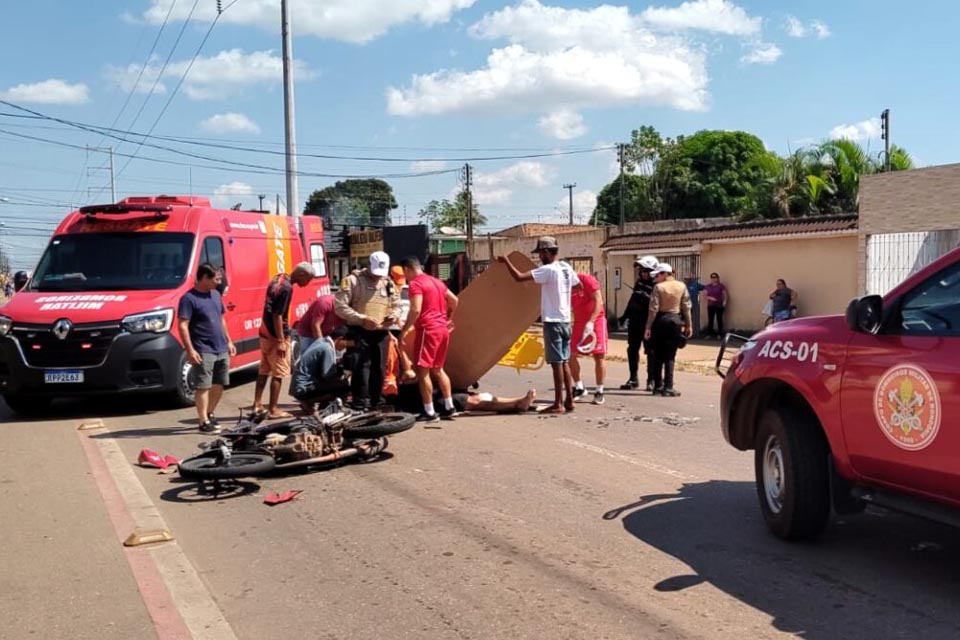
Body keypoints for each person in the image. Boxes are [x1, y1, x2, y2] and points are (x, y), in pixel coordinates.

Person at [499, 237, 580, 414]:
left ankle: (558, 403)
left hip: (553, 321)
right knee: (565, 361)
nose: (539, 258)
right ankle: (569, 400)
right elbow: (578, 285)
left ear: (545, 252)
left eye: (540, 254)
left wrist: (506, 261)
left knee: (556, 363)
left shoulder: (548, 270)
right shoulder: (566, 268)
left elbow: (519, 277)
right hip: (566, 320)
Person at [392, 339, 537, 416]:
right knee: (472, 401)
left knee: (474, 396)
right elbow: (407, 374)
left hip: (421, 391)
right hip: (414, 397)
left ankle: (518, 401)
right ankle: (516, 404)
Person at [334, 251, 402, 411]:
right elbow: (340, 307)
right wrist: (362, 319)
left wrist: (393, 316)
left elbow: (397, 305)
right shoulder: (352, 281)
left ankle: (376, 400)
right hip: (359, 331)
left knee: (379, 368)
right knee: (361, 367)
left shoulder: (388, 283)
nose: (378, 276)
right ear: (369, 265)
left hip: (381, 333)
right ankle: (360, 401)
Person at [398, 255, 459, 423]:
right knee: (438, 369)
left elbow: (416, 309)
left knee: (422, 371)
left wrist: (404, 331)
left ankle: (429, 411)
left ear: (407, 269)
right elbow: (454, 300)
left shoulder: (416, 284)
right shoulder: (437, 282)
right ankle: (449, 407)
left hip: (427, 329)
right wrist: (448, 317)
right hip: (441, 329)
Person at [177, 263, 237, 433]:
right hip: (203, 349)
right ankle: (203, 421)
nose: (219, 282)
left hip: (221, 347)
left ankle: (210, 413)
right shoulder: (189, 299)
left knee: (219, 384)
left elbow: (222, 319)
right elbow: (183, 325)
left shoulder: (216, 295)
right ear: (204, 278)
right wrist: (190, 350)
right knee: (203, 385)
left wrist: (229, 341)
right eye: (216, 279)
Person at [253, 262, 316, 420]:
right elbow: (278, 315)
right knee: (279, 373)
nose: (306, 284)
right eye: (308, 279)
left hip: (264, 331)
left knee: (264, 369)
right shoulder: (287, 287)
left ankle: (257, 405)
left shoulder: (278, 278)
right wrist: (281, 340)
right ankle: (273, 409)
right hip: (276, 336)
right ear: (301, 274)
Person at [644, 263, 692, 397]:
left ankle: (658, 386)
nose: (656, 277)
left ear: (665, 274)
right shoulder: (681, 286)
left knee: (658, 355)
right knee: (670, 355)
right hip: (675, 321)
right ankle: (668, 386)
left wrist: (648, 326)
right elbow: (686, 307)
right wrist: (689, 325)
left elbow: (653, 309)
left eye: (658, 275)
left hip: (660, 321)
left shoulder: (658, 288)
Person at [290, 326, 352, 415]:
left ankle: (314, 405)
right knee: (343, 386)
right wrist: (344, 374)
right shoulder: (327, 348)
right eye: (345, 345)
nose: (344, 348)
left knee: (336, 382)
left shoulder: (322, 341)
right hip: (303, 389)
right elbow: (327, 375)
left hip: (299, 388)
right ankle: (324, 409)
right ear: (340, 339)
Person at [619, 256, 658, 391]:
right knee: (632, 349)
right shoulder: (639, 282)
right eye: (642, 271)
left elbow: (659, 306)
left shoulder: (657, 285)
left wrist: (648, 298)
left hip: (649, 323)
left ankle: (651, 379)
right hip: (635, 322)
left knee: (651, 351)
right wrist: (624, 316)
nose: (643, 273)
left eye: (646, 271)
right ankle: (633, 378)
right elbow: (632, 300)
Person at [570, 272, 607, 405]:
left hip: (596, 321)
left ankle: (599, 391)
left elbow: (599, 301)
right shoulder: (563, 283)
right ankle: (579, 387)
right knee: (570, 354)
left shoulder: (587, 280)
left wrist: (591, 321)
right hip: (579, 322)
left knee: (599, 355)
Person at [704, 272, 728, 339]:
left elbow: (725, 294)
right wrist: (710, 298)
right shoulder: (708, 286)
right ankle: (709, 334)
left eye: (715, 277)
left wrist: (724, 302)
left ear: (717, 278)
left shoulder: (721, 286)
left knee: (719, 319)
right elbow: (705, 295)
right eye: (712, 277)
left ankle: (720, 334)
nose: (714, 279)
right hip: (710, 305)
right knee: (710, 319)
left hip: (719, 305)